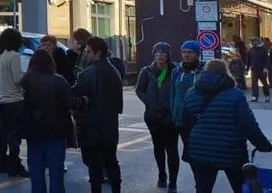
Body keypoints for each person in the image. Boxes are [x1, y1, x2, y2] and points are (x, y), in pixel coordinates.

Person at [182, 59, 272, 193]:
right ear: (226, 72)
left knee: (203, 189)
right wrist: (263, 145)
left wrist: (191, 142)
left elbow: (184, 122)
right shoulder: (235, 95)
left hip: (199, 150)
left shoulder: (191, 93)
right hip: (232, 151)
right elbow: (248, 124)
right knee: (240, 187)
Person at [72, 37, 123, 193]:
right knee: (111, 161)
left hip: (91, 124)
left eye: (88, 51)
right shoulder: (114, 72)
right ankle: (116, 189)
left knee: (94, 167)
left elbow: (73, 95)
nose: (86, 55)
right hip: (110, 124)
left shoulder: (87, 73)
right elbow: (118, 104)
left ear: (98, 53)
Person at [20, 49, 72, 193]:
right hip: (56, 130)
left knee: (36, 168)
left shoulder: (26, 80)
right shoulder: (59, 81)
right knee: (56, 170)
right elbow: (69, 103)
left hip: (34, 130)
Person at [135, 42, 179, 191]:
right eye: (157, 52)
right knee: (158, 147)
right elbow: (139, 90)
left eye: (163, 52)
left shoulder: (175, 71)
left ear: (168, 55)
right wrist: (148, 101)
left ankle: (173, 181)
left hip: (171, 116)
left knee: (172, 149)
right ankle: (162, 175)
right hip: (153, 116)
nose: (160, 54)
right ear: (153, 54)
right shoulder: (146, 71)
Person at [0, 28, 27, 177]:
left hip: (1, 98)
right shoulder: (14, 56)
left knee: (3, 132)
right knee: (15, 134)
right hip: (14, 98)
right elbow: (17, 79)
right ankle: (15, 163)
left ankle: (2, 162)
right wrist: (27, 74)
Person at [170, 40, 202, 149]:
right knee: (188, 150)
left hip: (197, 119)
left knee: (197, 151)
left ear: (197, 54)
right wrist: (173, 114)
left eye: (190, 52)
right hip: (180, 119)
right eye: (184, 52)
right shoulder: (177, 71)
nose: (186, 55)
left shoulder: (203, 71)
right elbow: (172, 93)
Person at [247, 36, 271, 103]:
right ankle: (254, 96)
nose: (253, 43)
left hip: (262, 70)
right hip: (254, 69)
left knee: (265, 84)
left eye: (254, 41)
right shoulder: (251, 50)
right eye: (252, 41)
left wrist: (266, 68)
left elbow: (267, 60)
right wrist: (247, 68)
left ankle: (267, 95)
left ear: (258, 41)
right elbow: (249, 60)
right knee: (254, 84)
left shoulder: (263, 49)